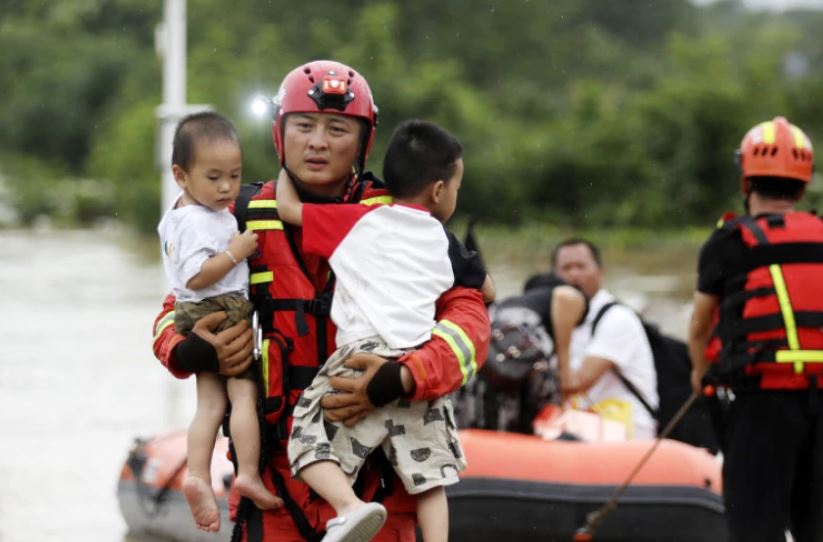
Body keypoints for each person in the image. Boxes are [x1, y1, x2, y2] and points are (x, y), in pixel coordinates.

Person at [151, 60, 491, 542]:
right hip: (274, 487)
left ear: (363, 140)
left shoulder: (401, 220)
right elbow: (171, 311)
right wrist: (188, 350)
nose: (317, 142)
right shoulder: (235, 219)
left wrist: (405, 375)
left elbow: (470, 323)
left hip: (381, 488)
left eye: (337, 128)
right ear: (279, 133)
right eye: (304, 126)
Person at [276, 119, 493, 542]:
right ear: (438, 190)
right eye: (456, 187)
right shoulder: (445, 242)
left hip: (360, 355)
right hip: (415, 360)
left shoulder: (356, 221)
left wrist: (286, 165)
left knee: (304, 437)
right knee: (429, 477)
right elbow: (486, 291)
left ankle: (349, 507)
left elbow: (287, 209)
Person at [687, 116, 823, 542]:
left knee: (755, 525)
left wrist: (698, 375)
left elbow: (699, 325)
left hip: (761, 402)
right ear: (802, 187)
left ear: (746, 181)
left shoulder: (727, 242)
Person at [157, 112, 280, 532]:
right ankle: (246, 472)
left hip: (196, 314)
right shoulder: (197, 220)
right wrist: (237, 252)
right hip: (221, 308)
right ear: (181, 175)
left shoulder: (182, 213)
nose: (227, 188)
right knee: (243, 395)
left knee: (209, 405)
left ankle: (196, 475)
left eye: (234, 175)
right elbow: (194, 275)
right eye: (214, 178)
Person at [551, 238, 659, 440]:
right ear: (554, 276)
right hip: (584, 423)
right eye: (566, 268)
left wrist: (562, 326)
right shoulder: (552, 317)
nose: (574, 275)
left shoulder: (618, 318)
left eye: (581, 266)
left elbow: (573, 385)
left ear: (600, 272)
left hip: (626, 428)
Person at [455, 273, 585, 433]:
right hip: (516, 356)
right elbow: (566, 296)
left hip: (479, 356)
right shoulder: (566, 296)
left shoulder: (508, 303)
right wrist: (565, 373)